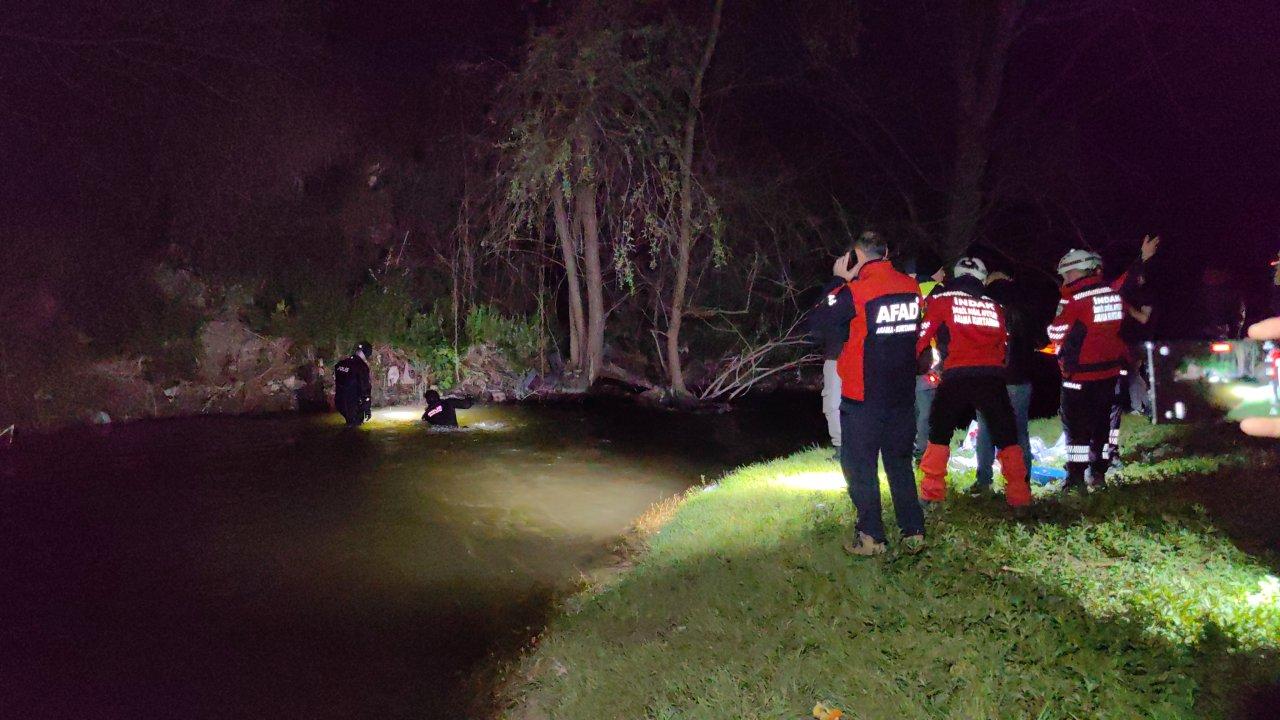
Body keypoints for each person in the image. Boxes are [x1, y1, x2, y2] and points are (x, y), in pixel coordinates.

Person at [832, 231, 926, 556]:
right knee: (899, 463)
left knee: (860, 465)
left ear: (857, 256)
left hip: (863, 396)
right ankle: (913, 531)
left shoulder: (855, 292)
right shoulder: (911, 287)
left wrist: (838, 283)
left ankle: (871, 537)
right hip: (901, 393)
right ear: (885, 252)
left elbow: (820, 323)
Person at [916, 258, 1033, 511]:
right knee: (1007, 435)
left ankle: (931, 495)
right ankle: (1020, 496)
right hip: (991, 377)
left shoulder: (941, 300)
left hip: (955, 375)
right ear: (981, 278)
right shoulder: (994, 306)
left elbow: (922, 336)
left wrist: (915, 365)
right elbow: (1003, 344)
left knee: (939, 433)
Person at [1047, 249, 1128, 491]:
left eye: (1067, 274)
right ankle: (1099, 473)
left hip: (1079, 375)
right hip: (1108, 372)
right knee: (1101, 424)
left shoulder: (1074, 300)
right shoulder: (1111, 294)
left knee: (1076, 430)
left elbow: (1056, 334)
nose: (1065, 280)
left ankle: (1075, 478)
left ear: (1078, 270)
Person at [971, 266, 1036, 496]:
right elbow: (1036, 341)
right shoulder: (1023, 307)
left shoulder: (980, 306)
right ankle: (1022, 481)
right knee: (1019, 432)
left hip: (988, 377)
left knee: (986, 431)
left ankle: (983, 481)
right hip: (1019, 378)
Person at [805, 259, 857, 459]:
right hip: (852, 356)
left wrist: (837, 280)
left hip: (842, 355)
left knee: (835, 402)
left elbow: (816, 323)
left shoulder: (842, 291)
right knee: (839, 402)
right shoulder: (849, 290)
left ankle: (842, 448)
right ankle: (844, 448)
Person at [914, 268, 945, 460]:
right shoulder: (938, 291)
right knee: (927, 411)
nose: (943, 275)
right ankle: (923, 451)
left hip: (909, 361)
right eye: (941, 270)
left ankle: (914, 448)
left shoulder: (907, 289)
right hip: (930, 360)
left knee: (915, 410)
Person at [334, 341, 373, 426]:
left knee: (349, 424)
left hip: (339, 402)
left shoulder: (341, 364)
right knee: (356, 430)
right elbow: (365, 389)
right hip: (353, 404)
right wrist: (367, 408)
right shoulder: (361, 366)